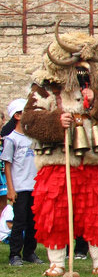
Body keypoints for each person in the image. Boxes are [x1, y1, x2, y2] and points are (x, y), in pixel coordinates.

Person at [20, 27, 98, 277]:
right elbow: (28, 121)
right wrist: (56, 122)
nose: (82, 66)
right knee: (55, 213)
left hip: (92, 161)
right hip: (58, 162)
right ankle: (56, 263)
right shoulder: (45, 87)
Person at [4, 99, 40, 266]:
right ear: (18, 116)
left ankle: (29, 252)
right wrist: (11, 189)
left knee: (33, 221)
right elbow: (8, 165)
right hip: (20, 186)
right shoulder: (12, 139)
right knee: (19, 221)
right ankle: (14, 254)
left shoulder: (34, 137)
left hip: (34, 186)